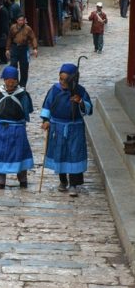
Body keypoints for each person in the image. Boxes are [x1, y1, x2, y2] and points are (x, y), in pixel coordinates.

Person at [40, 63, 93, 197]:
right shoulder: (55, 90)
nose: (62, 82)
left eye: (66, 80)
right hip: (57, 127)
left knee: (74, 154)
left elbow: (89, 109)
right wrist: (46, 120)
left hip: (74, 128)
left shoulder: (80, 91)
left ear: (73, 79)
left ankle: (74, 184)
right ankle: (63, 181)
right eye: (60, 79)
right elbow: (47, 105)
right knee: (61, 153)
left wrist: (80, 101)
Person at [0, 66, 34, 190]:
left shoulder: (23, 94)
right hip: (0, 128)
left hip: (17, 129)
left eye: (13, 80)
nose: (10, 83)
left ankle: (23, 180)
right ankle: (0, 182)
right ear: (4, 80)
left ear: (17, 80)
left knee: (19, 153)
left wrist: (22, 122)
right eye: (8, 80)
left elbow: (27, 111)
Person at [5, 14, 38, 88]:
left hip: (24, 49)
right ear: (17, 20)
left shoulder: (28, 28)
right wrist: (7, 49)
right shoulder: (13, 28)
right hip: (15, 48)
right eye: (19, 20)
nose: (21, 22)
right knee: (13, 66)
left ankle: (22, 85)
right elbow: (9, 38)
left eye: (22, 20)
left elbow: (33, 38)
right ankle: (15, 83)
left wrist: (35, 48)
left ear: (24, 20)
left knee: (24, 67)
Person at [0, 0, 11, 64]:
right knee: (3, 47)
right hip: (4, 31)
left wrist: (2, 33)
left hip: (3, 32)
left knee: (2, 47)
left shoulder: (2, 11)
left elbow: (3, 23)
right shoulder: (5, 10)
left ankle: (3, 60)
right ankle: (5, 59)